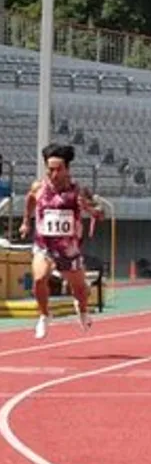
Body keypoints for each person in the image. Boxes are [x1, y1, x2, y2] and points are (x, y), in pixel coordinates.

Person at [19, 144, 103, 340]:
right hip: (44, 246)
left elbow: (100, 213)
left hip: (69, 250)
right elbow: (30, 200)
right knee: (39, 278)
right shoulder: (39, 187)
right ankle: (44, 315)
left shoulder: (79, 191)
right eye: (50, 169)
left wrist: (91, 209)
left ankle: (82, 310)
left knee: (81, 290)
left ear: (67, 169)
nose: (53, 174)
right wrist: (25, 222)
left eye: (58, 169)